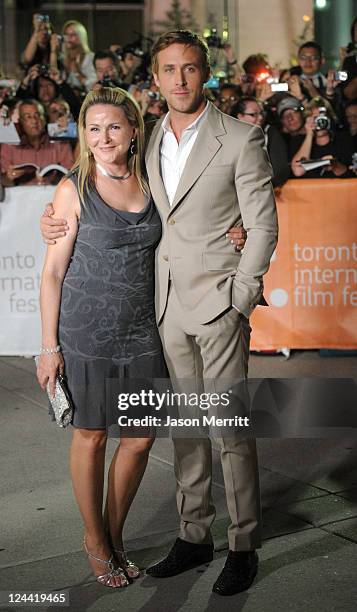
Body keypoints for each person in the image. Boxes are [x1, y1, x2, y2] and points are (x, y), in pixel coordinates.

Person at [40, 29, 273, 597]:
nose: (179, 80)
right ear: (157, 79)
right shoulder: (144, 146)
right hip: (160, 310)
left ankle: (243, 542)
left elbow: (261, 224)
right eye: (169, 70)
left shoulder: (242, 138)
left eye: (190, 69)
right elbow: (92, 201)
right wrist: (51, 222)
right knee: (186, 432)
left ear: (205, 72)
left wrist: (240, 295)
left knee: (228, 428)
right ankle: (195, 534)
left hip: (215, 303)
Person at [36, 86, 170, 588]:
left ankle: (113, 535)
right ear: (83, 136)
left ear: (134, 129)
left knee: (139, 437)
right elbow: (52, 273)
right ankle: (94, 540)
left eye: (114, 126)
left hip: (141, 331)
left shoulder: (153, 181)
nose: (104, 137)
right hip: (85, 333)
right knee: (91, 436)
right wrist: (48, 347)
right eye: (93, 128)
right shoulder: (73, 189)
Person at [1, 99, 73, 186]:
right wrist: (8, 177)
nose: (35, 121)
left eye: (38, 115)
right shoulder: (10, 145)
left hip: (52, 194)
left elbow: (71, 175)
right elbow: (3, 183)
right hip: (20, 196)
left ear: (44, 118)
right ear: (20, 122)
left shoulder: (59, 142)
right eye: (28, 117)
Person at [231, 96, 290, 186]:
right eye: (254, 114)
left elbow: (279, 170)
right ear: (240, 116)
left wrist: (263, 186)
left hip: (261, 192)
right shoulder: (228, 137)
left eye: (262, 113)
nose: (260, 118)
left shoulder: (270, 133)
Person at [291, 97, 355, 178]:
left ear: (330, 119)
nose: (320, 122)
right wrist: (309, 134)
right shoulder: (298, 141)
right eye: (315, 118)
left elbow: (351, 174)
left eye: (322, 118)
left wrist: (335, 166)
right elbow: (298, 171)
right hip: (310, 189)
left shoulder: (343, 139)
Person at [62, 20, 97, 93]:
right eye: (66, 34)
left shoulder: (91, 57)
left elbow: (94, 85)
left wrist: (78, 73)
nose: (69, 38)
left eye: (73, 34)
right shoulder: (61, 59)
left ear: (81, 36)